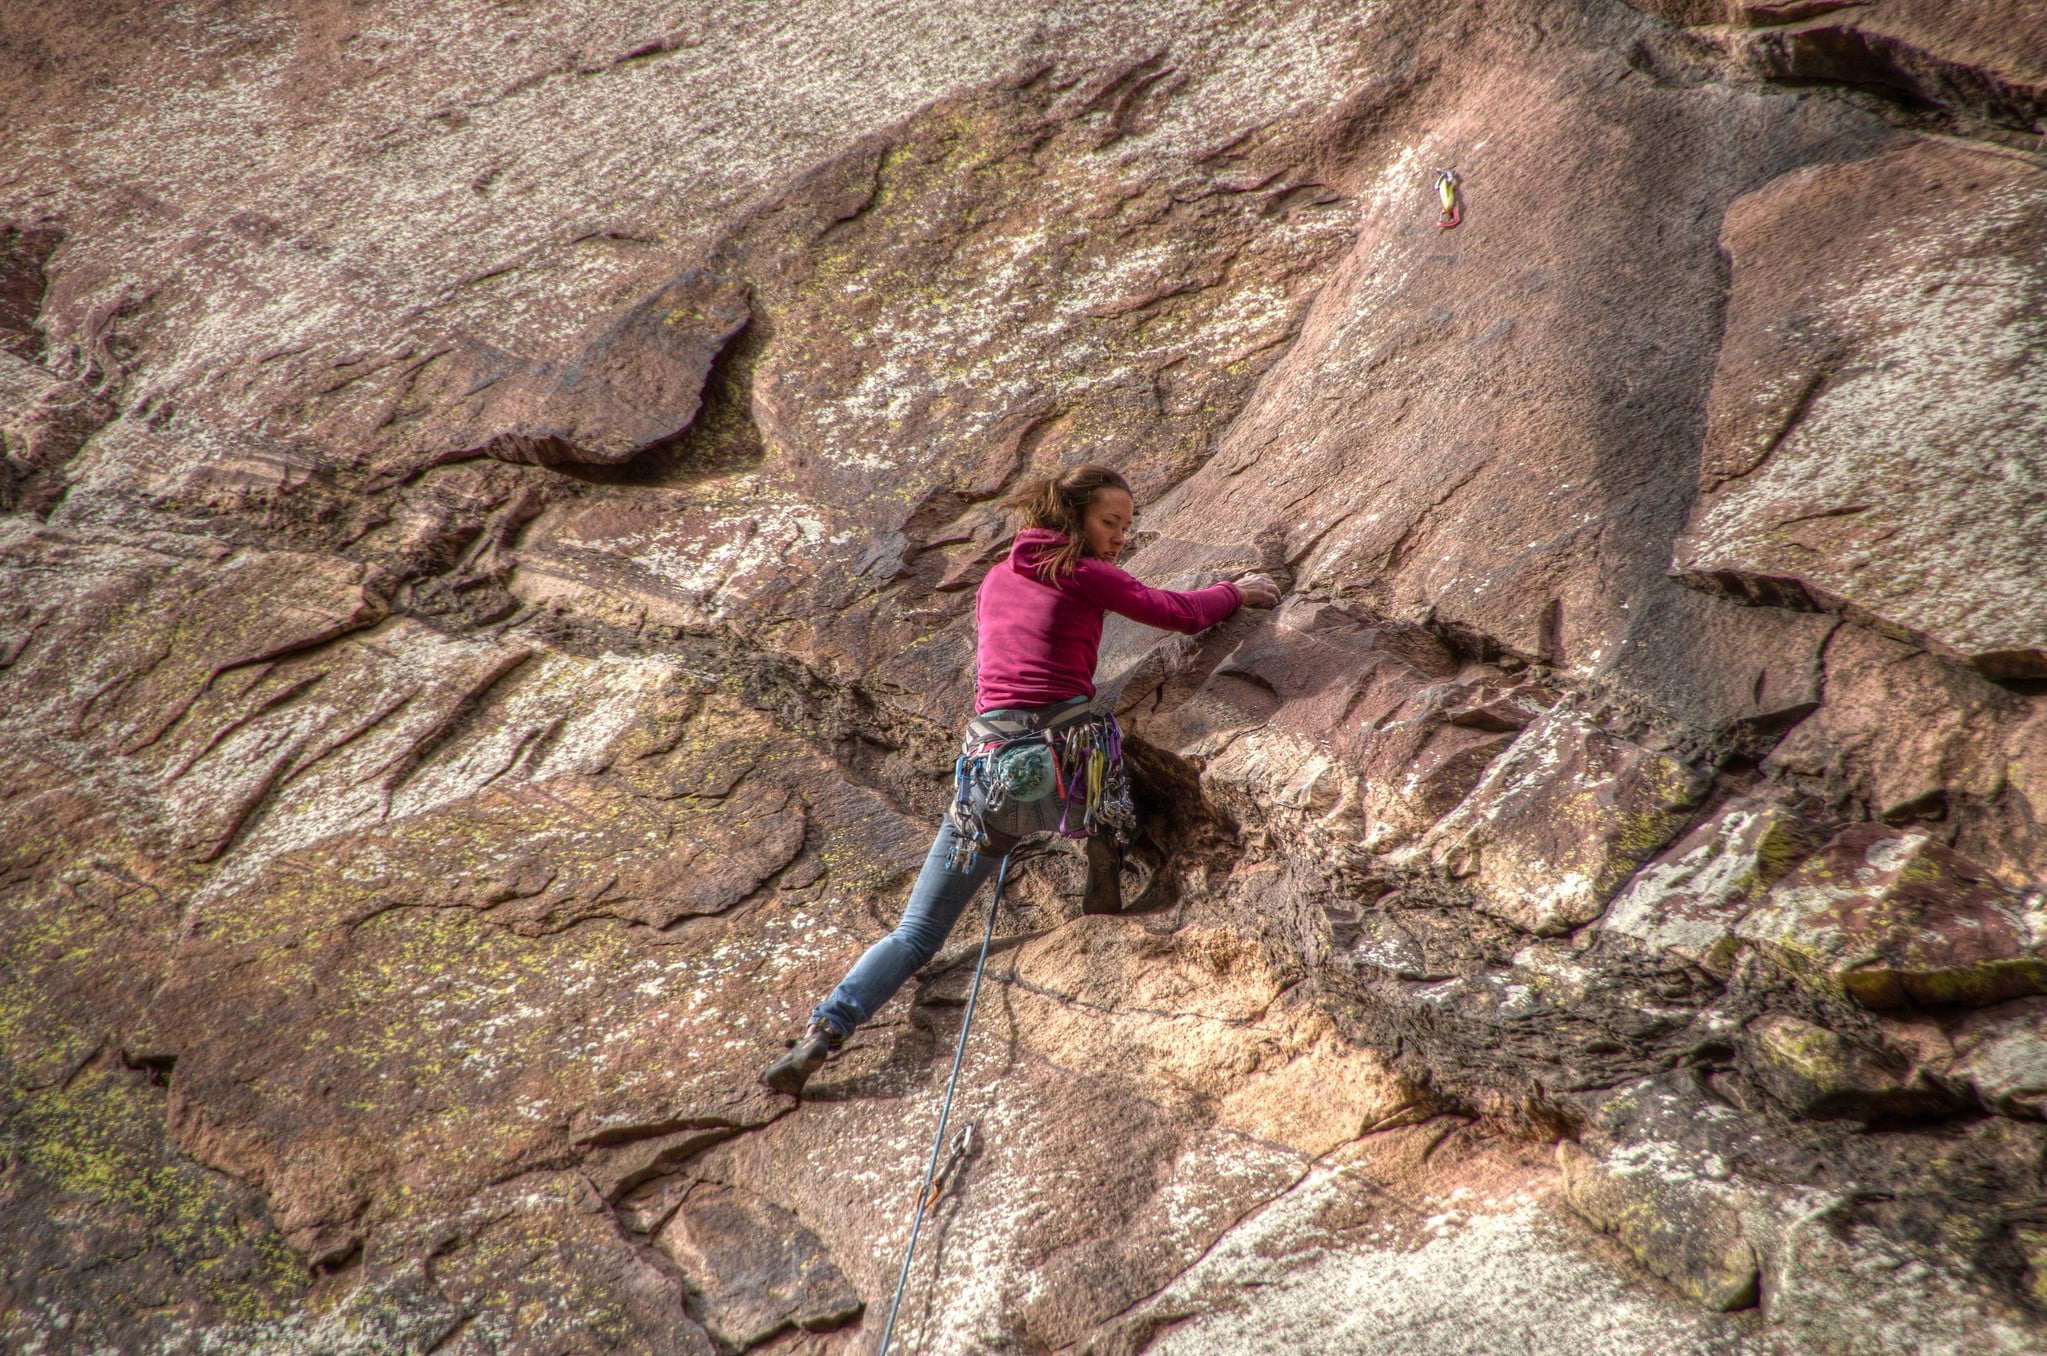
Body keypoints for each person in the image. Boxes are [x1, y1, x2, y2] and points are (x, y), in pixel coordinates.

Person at [762, 463, 1280, 1095]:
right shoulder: (1085, 572)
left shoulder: (997, 578)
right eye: (1109, 523)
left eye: (1127, 524)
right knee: (1103, 744)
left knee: (917, 932)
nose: (1121, 536)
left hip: (991, 775)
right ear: (1073, 520)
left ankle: (825, 1032)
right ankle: (1103, 840)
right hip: (1068, 761)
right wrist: (1235, 592)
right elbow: (1171, 611)